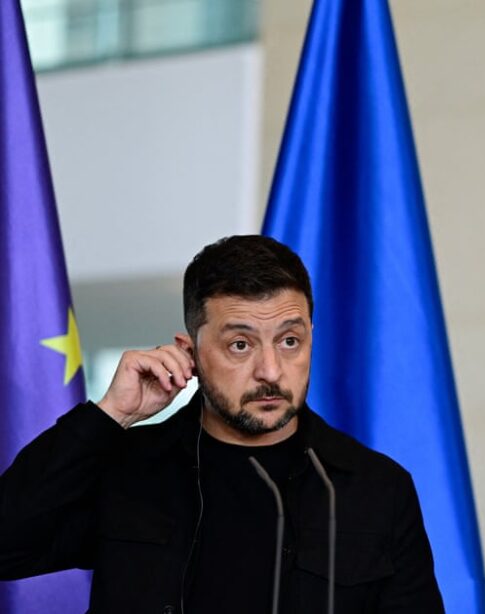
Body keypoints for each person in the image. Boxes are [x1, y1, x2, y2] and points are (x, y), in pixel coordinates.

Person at [0, 235, 445, 612]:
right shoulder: (127, 468)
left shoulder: (377, 488)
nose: (270, 371)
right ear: (189, 351)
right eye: (240, 345)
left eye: (290, 341)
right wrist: (111, 414)